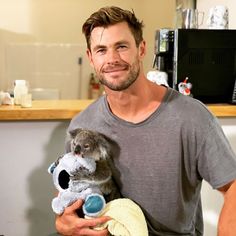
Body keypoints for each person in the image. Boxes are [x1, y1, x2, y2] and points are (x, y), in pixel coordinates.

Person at [55, 6, 236, 236]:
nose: (112, 59)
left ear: (141, 49)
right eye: (101, 50)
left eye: (121, 46)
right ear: (91, 57)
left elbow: (233, 186)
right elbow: (69, 186)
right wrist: (63, 221)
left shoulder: (192, 118)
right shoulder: (83, 126)